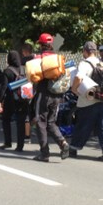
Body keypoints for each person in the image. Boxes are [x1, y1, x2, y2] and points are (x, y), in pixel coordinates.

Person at [70, 41, 103, 162]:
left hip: (88, 100)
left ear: (85, 51)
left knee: (83, 125)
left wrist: (74, 89)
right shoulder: (102, 63)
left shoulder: (85, 63)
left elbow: (79, 77)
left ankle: (74, 147)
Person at [31, 33, 69, 162]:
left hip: (43, 93)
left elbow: (33, 75)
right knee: (51, 121)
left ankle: (44, 153)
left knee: (40, 121)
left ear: (41, 45)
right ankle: (63, 143)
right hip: (57, 94)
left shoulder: (39, 58)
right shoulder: (58, 58)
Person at [0, 50, 29, 152]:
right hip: (23, 98)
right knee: (21, 122)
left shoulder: (7, 71)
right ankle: (20, 146)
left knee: (6, 119)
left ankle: (8, 142)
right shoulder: (23, 69)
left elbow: (3, 88)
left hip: (11, 99)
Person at [20, 43, 35, 143]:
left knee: (26, 112)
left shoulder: (23, 61)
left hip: (27, 87)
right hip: (37, 87)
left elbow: (22, 75)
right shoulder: (37, 59)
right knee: (35, 111)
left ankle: (27, 136)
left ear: (24, 51)